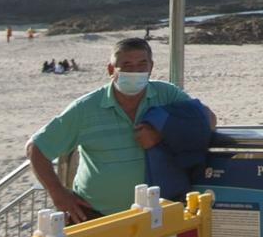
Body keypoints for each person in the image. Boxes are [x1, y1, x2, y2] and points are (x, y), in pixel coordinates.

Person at [25, 37, 215, 224]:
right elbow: (36, 148)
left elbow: (208, 119)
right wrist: (58, 193)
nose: (135, 71)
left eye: (142, 64)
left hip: (157, 216)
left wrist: (163, 132)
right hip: (96, 217)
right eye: (126, 65)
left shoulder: (166, 94)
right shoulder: (86, 108)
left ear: (151, 67)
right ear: (111, 69)